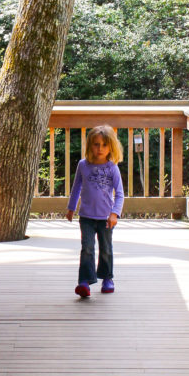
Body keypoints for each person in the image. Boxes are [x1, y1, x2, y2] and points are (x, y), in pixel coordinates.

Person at [66, 125, 124, 298]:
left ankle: (107, 278)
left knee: (106, 248)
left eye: (104, 145)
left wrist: (115, 213)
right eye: (96, 144)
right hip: (86, 216)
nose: (100, 149)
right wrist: (71, 207)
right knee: (87, 248)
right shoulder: (83, 165)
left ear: (111, 147)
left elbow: (120, 194)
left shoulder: (112, 168)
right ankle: (84, 281)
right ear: (90, 145)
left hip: (106, 217)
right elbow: (76, 188)